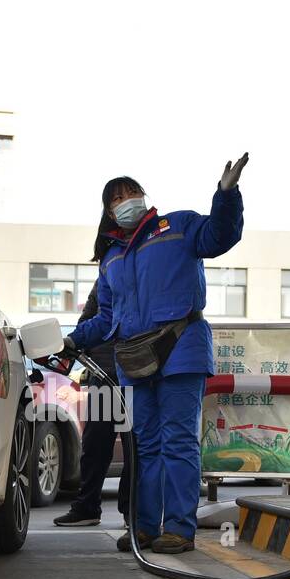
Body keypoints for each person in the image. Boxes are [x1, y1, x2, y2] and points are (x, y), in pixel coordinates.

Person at [65, 154, 248, 554]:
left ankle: (180, 529)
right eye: (117, 197)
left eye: (132, 192)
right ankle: (145, 527)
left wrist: (227, 195)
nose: (127, 200)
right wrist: (72, 339)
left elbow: (220, 236)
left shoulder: (178, 226)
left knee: (178, 441)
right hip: (134, 357)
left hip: (182, 346)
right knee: (144, 445)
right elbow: (106, 320)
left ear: (145, 197)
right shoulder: (111, 259)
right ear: (109, 210)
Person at [52, 282, 133, 528]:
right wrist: (76, 345)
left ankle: (134, 510)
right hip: (104, 373)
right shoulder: (105, 280)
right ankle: (87, 506)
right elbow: (87, 320)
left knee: (136, 448)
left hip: (135, 373)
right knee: (95, 444)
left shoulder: (142, 267)